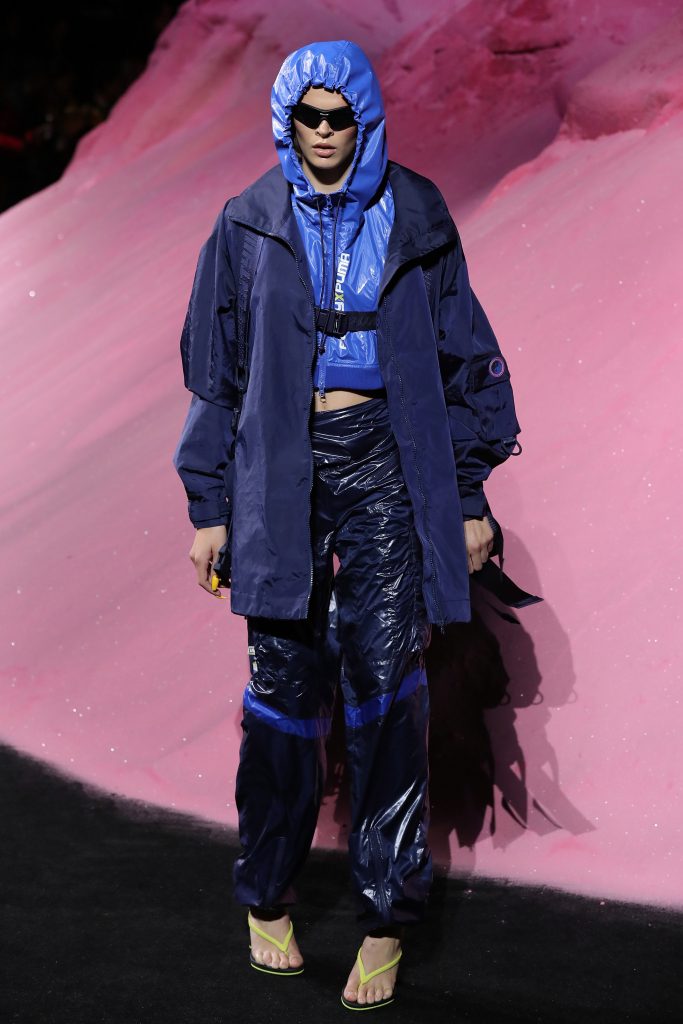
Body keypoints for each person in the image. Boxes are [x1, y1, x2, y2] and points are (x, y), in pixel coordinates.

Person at [172, 40, 522, 1010]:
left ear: (363, 118)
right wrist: (209, 508)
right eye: (307, 116)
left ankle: (385, 918)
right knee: (282, 694)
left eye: (339, 116)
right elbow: (215, 374)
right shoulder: (247, 221)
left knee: (385, 689)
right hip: (280, 467)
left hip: (387, 463)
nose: (323, 132)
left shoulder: (416, 212)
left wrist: (466, 498)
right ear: (286, 121)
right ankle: (264, 894)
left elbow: (462, 355)